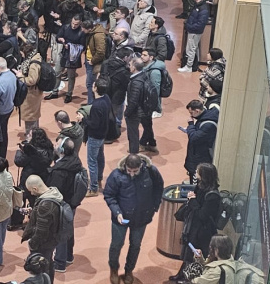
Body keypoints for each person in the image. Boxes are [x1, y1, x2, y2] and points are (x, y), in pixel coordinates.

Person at [104, 153, 164, 284]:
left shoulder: (151, 171)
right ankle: (113, 269)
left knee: (135, 245)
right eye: (129, 171)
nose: (131, 174)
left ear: (141, 166)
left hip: (141, 217)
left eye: (135, 171)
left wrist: (154, 206)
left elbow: (159, 187)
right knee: (116, 245)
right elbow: (109, 195)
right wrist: (117, 212)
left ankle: (129, 271)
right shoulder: (116, 175)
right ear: (125, 166)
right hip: (120, 218)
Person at [170, 163, 221, 283]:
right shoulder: (200, 186)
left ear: (204, 175)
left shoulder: (213, 195)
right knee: (188, 250)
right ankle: (183, 274)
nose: (196, 173)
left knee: (194, 254)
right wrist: (192, 197)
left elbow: (203, 215)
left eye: (198, 171)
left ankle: (189, 278)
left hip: (202, 230)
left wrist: (192, 200)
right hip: (193, 225)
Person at [47, 139, 84, 273]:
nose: (54, 144)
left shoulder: (60, 171)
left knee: (60, 232)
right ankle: (68, 256)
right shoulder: (74, 161)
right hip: (72, 202)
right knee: (68, 229)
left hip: (63, 203)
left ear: (62, 150)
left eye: (57, 144)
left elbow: (55, 190)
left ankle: (60, 262)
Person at [20, 175, 63, 282]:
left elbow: (41, 232)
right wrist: (34, 211)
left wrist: (32, 244)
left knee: (43, 266)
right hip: (52, 238)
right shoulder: (54, 193)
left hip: (44, 243)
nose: (31, 194)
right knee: (48, 263)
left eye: (31, 191)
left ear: (35, 188)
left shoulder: (45, 205)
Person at [84, 78, 113, 197]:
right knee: (100, 157)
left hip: (95, 136)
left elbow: (94, 124)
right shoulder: (106, 98)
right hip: (103, 134)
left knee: (92, 161)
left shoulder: (96, 105)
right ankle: (99, 177)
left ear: (95, 88)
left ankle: (94, 187)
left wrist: (84, 119)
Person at [124, 57, 155, 154]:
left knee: (133, 135)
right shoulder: (144, 75)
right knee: (147, 126)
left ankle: (134, 156)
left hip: (135, 112)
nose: (129, 66)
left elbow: (133, 101)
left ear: (133, 67)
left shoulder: (136, 83)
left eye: (130, 65)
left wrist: (127, 113)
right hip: (144, 108)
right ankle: (151, 143)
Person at [179, 0, 210, 73]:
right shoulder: (197, 6)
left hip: (195, 32)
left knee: (191, 49)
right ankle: (192, 65)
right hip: (192, 30)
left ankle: (189, 66)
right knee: (192, 48)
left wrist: (189, 27)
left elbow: (201, 23)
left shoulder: (203, 9)